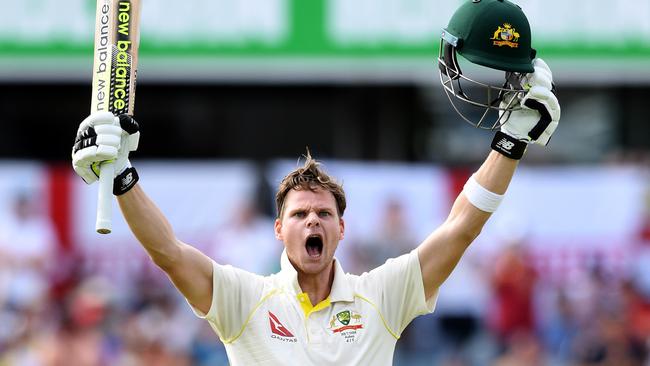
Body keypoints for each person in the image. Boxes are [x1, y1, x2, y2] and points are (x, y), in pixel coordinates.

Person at [70, 0, 560, 364]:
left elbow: (460, 229)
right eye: (300, 214)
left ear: (341, 229)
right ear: (278, 229)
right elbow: (169, 253)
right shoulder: (246, 299)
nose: (313, 221)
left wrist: (509, 143)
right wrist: (123, 178)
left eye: (324, 213)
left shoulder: (380, 296)